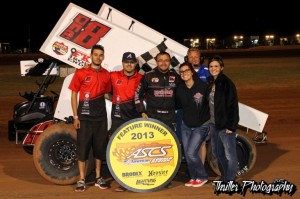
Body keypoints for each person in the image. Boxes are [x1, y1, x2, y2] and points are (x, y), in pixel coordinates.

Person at [135, 51, 180, 188]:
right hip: (153, 116)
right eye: (160, 60)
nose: (163, 63)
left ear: (170, 61)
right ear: (156, 61)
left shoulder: (176, 76)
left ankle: (166, 177)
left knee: (167, 148)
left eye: (166, 60)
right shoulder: (148, 76)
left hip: (170, 117)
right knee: (152, 148)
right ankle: (151, 174)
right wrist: (142, 111)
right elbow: (137, 95)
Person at [69, 44, 111, 192]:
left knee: (99, 148)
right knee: (83, 149)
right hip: (84, 117)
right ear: (91, 56)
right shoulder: (81, 72)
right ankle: (81, 179)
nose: (98, 57)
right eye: (96, 55)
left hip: (100, 117)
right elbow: (74, 94)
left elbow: (107, 94)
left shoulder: (106, 74)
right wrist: (75, 116)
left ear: (103, 57)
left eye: (101, 55)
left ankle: (99, 177)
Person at [107, 52, 143, 192]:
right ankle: (123, 180)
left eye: (132, 62)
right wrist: (115, 100)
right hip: (117, 119)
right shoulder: (113, 75)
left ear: (135, 64)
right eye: (126, 62)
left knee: (134, 151)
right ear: (122, 63)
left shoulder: (141, 78)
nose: (129, 64)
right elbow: (104, 89)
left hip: (134, 118)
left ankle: (134, 179)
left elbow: (145, 97)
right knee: (119, 151)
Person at [176, 62, 210, 187]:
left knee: (191, 153)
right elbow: (177, 106)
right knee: (188, 153)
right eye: (181, 72)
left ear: (192, 72)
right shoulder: (179, 89)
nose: (184, 73)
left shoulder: (203, 86)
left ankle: (202, 176)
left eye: (186, 71)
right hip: (186, 125)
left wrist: (211, 124)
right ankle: (194, 176)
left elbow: (211, 106)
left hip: (201, 125)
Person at [206, 55, 239, 183]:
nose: (213, 68)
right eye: (211, 66)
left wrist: (232, 126)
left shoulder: (227, 83)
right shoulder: (210, 81)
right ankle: (224, 177)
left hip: (225, 125)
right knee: (218, 153)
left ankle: (230, 180)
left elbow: (233, 105)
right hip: (214, 124)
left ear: (222, 68)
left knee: (230, 155)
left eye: (216, 66)